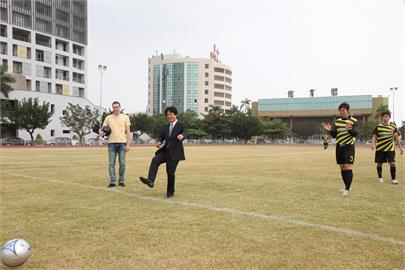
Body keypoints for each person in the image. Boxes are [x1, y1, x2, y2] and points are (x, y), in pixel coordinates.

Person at [139, 106, 188, 198]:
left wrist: (182, 136)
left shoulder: (181, 125)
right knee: (155, 160)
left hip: (175, 153)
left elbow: (186, 132)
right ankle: (150, 180)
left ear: (175, 114)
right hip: (166, 151)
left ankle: (170, 192)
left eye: (171, 114)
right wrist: (159, 142)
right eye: (167, 115)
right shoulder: (165, 127)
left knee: (170, 173)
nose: (169, 116)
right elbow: (161, 136)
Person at [322, 102, 358, 195]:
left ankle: (347, 188)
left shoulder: (353, 121)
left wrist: (350, 129)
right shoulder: (337, 122)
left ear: (348, 111)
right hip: (339, 146)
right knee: (342, 167)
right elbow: (334, 135)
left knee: (348, 166)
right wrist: (330, 130)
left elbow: (355, 133)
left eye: (343, 110)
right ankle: (346, 186)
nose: (342, 112)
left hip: (349, 146)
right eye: (340, 110)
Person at [99, 101, 131, 187]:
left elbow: (128, 132)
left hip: (122, 144)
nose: (115, 109)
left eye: (117, 107)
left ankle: (121, 180)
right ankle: (112, 181)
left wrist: (128, 144)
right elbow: (102, 129)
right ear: (112, 108)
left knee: (122, 164)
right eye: (114, 107)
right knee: (111, 164)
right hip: (111, 144)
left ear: (120, 107)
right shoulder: (108, 118)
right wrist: (101, 132)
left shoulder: (125, 117)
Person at [371, 111, 403, 184]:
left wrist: (400, 148)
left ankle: (393, 179)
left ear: (389, 117)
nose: (385, 118)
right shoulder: (378, 127)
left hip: (390, 149)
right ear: (381, 117)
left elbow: (397, 138)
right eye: (384, 116)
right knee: (379, 164)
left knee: (392, 163)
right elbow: (374, 136)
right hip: (380, 148)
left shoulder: (393, 127)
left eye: (387, 116)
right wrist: (373, 144)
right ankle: (380, 177)